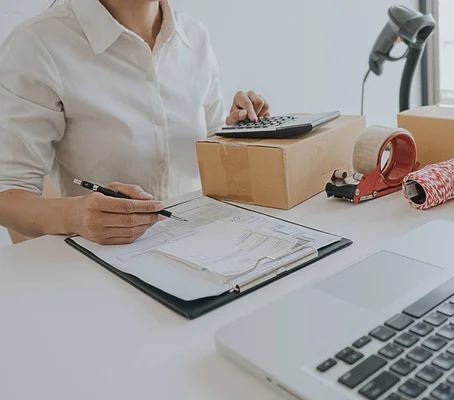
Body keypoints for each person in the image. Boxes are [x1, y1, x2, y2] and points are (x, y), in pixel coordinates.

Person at [0, 0, 269, 245]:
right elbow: (7, 194)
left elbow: (209, 142)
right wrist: (76, 215)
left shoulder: (194, 35)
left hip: (198, 240)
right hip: (105, 261)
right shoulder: (38, 43)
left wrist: (238, 129)